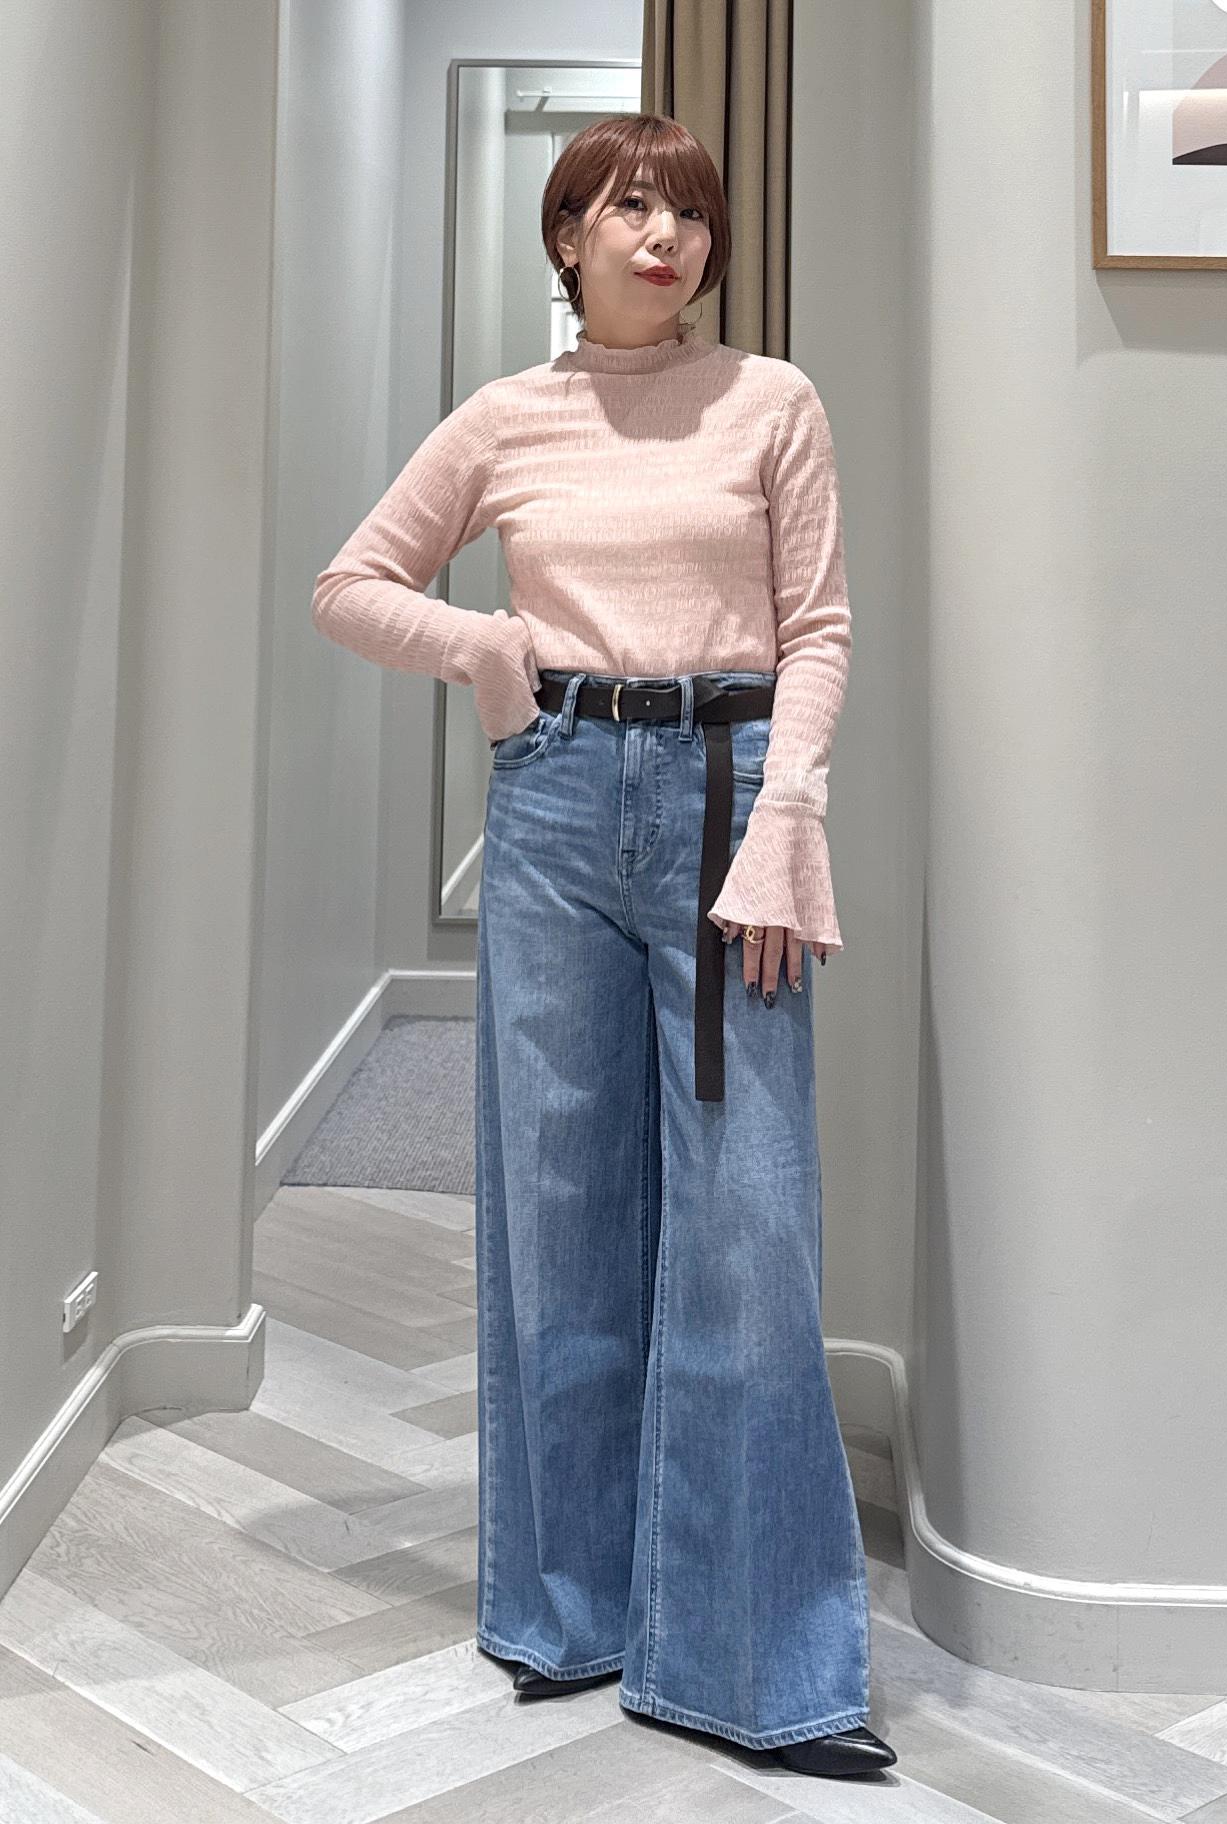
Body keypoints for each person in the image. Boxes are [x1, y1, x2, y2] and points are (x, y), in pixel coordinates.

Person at [311, 112, 896, 1781]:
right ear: (566, 235)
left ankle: (758, 1666)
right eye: (630, 206)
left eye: (689, 211)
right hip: (558, 801)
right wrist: (488, 652)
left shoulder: (770, 401)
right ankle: (567, 1610)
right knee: (559, 1202)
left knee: (747, 1222)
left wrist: (788, 813)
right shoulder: (507, 418)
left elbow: (817, 628)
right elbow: (352, 584)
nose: (666, 236)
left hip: (728, 797)